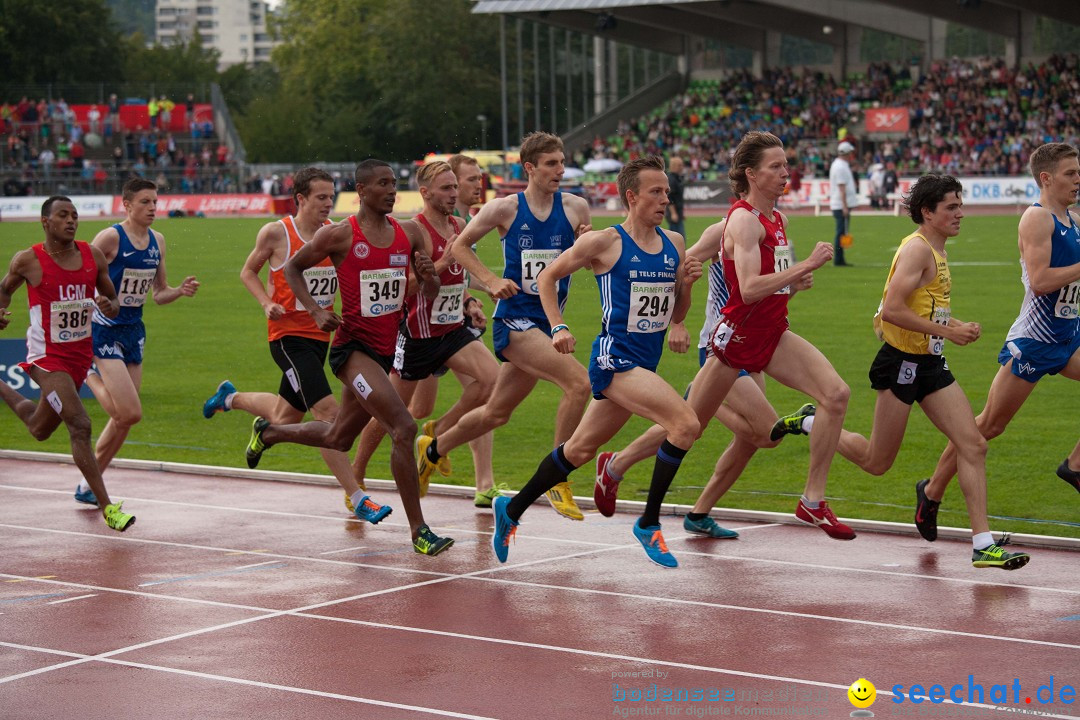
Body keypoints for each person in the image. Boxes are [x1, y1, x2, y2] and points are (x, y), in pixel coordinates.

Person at [491, 155, 702, 567]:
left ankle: (510, 509)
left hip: (646, 360)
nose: (664, 199)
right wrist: (557, 327)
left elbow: (676, 309)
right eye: (656, 192)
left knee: (580, 450)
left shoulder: (674, 243)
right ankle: (649, 522)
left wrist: (685, 291)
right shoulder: (604, 242)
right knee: (686, 424)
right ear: (631, 196)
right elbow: (548, 277)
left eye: (667, 192)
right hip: (614, 359)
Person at [242, 159, 454, 556]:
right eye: (382, 184)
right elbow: (292, 269)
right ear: (361, 190)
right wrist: (317, 311)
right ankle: (419, 531)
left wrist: (428, 276)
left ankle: (267, 432)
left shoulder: (409, 234)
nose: (391, 191)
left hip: (385, 350)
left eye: (394, 184)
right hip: (351, 351)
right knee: (404, 428)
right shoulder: (341, 235)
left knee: (339, 436)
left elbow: (427, 294)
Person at [835, 174, 1029, 569]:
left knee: (973, 445)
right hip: (901, 363)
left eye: (961, 205)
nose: (961, 214)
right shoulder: (918, 250)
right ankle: (812, 423)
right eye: (951, 207)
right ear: (927, 212)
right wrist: (946, 332)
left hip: (930, 364)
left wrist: (953, 326)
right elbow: (891, 309)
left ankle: (982, 544)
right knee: (876, 461)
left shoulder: (937, 250)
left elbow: (923, 308)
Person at [594, 215, 816, 538]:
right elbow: (678, 270)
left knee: (746, 439)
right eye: (775, 167)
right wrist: (678, 322)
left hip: (755, 346)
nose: (783, 177)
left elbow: (767, 297)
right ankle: (618, 463)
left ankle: (697, 511)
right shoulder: (723, 229)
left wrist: (792, 287)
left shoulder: (776, 229)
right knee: (766, 431)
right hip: (721, 348)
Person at [415, 132, 592, 521]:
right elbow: (458, 247)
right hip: (515, 321)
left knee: (496, 413)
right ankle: (557, 477)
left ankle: (433, 448)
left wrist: (585, 246)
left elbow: (580, 263)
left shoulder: (577, 208)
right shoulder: (505, 209)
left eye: (562, 163)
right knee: (579, 384)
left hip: (548, 321)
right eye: (550, 164)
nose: (559, 171)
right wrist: (491, 280)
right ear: (529, 168)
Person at [920, 143, 1080, 537]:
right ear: (1046, 178)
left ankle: (1074, 466)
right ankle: (932, 490)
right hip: (1034, 341)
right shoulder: (1036, 219)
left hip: (1068, 335)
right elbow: (1041, 282)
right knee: (988, 426)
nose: (1078, 180)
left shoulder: (1073, 219)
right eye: (1070, 174)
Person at [201, 167, 378, 522]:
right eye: (321, 198)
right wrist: (266, 302)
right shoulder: (277, 233)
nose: (329, 204)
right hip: (287, 338)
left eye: (332, 197)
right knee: (329, 415)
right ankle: (358, 497)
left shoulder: (333, 234)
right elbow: (247, 271)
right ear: (300, 198)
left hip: (321, 338)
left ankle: (230, 399)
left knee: (285, 415)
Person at [350, 161, 501, 506]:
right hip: (418, 336)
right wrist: (444, 263)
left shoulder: (459, 225)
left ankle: (437, 433)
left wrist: (469, 301)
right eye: (446, 188)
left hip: (451, 330)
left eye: (453, 187)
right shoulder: (411, 231)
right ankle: (356, 472)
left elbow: (457, 277)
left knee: (493, 382)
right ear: (425, 193)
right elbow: (403, 288)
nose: (453, 194)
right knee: (393, 410)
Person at [0, 196, 134, 531]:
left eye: (74, 215)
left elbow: (114, 304)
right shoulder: (28, 260)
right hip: (46, 358)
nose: (71, 221)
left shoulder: (94, 256)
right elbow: (5, 289)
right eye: (63, 215)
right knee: (80, 424)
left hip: (79, 357)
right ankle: (108, 507)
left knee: (39, 428)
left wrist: (109, 303)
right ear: (45, 222)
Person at [76, 178, 199, 504]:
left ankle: (89, 485)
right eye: (145, 202)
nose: (153, 208)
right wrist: (93, 302)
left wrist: (180, 292)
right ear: (127, 205)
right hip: (104, 328)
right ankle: (88, 372)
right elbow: (80, 272)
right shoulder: (110, 237)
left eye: (155, 202)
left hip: (134, 330)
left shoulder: (158, 240)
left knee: (124, 420)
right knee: (130, 413)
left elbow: (159, 294)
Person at [829, 140, 857, 266]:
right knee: (841, 232)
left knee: (841, 231)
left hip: (840, 204)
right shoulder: (840, 166)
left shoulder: (840, 165)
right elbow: (842, 187)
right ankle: (838, 260)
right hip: (840, 205)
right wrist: (844, 206)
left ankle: (840, 259)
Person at [666, 155, 686, 237]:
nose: (681, 167)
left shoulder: (677, 178)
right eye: (679, 165)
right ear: (673, 166)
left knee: (677, 236)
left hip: (678, 211)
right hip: (673, 212)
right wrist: (673, 213)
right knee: (678, 237)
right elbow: (670, 197)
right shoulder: (672, 179)